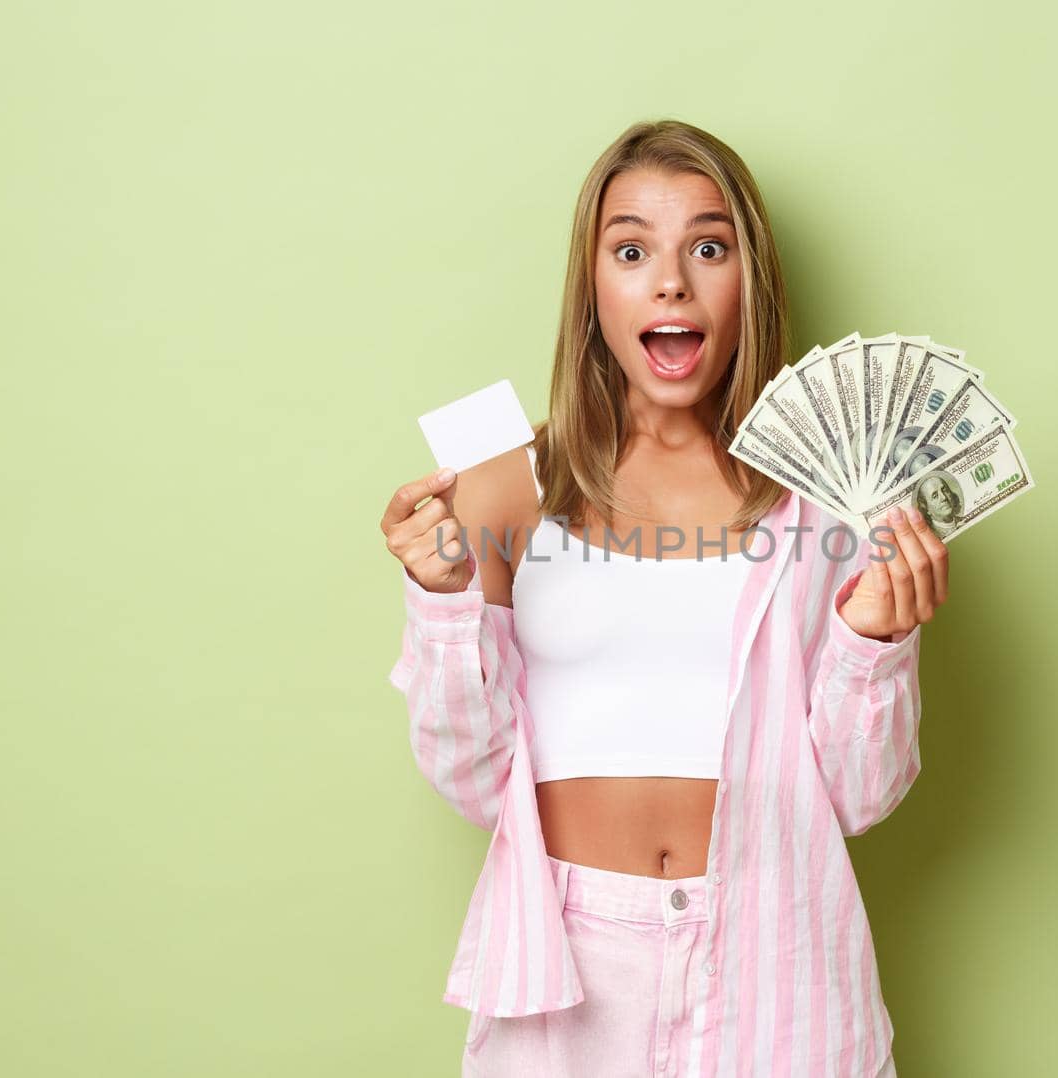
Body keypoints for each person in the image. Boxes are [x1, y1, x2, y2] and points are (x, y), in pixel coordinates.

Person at [379, 119, 948, 1077]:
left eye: (709, 247)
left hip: (781, 952)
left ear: (748, 280)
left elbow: (856, 799)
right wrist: (442, 604)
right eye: (632, 249)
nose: (671, 281)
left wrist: (870, 646)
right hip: (567, 962)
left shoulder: (836, 496)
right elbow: (473, 781)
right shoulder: (505, 483)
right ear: (593, 285)